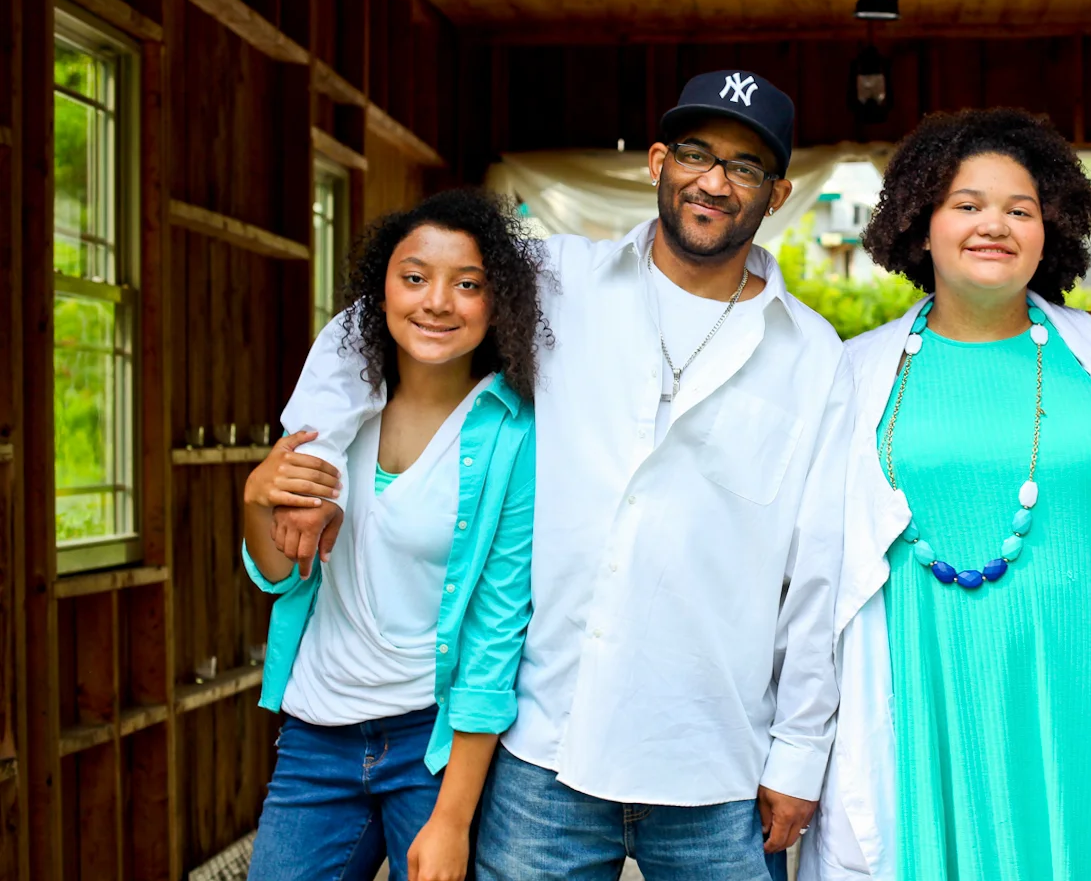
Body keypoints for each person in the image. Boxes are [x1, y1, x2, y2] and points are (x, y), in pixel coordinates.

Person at [265, 71, 850, 881]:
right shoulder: (556, 279)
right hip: (546, 749)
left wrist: (798, 748)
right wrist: (318, 451)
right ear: (655, 161)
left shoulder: (812, 352)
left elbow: (819, 563)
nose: (713, 180)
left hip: (715, 756)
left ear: (778, 192)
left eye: (745, 165)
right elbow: (393, 307)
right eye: (694, 153)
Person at [800, 109, 1091, 881]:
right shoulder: (854, 373)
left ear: (1052, 229)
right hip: (929, 706)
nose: (995, 225)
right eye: (967, 204)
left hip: (1088, 704)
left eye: (1020, 209)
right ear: (921, 224)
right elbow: (810, 565)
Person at [242, 189, 545, 881]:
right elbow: (281, 574)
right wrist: (254, 499)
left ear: (497, 302)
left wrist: (453, 818)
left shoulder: (514, 435)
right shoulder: (332, 416)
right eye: (414, 277)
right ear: (379, 292)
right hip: (315, 732)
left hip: (432, 744)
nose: (437, 300)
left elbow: (498, 634)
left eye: (466, 284)